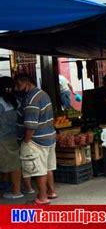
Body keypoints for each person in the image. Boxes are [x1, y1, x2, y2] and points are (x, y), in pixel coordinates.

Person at [15, 74, 57, 205]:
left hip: (36, 140)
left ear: (27, 84)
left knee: (39, 170)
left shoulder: (32, 99)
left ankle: (42, 198)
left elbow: (30, 125)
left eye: (18, 85)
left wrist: (26, 141)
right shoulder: (43, 94)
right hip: (49, 137)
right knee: (48, 167)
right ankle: (51, 192)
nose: (17, 88)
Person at [0, 77, 23, 199]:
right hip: (14, 137)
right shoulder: (16, 101)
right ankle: (10, 187)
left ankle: (16, 192)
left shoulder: (1, 103)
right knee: (12, 163)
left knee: (12, 165)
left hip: (2, 139)